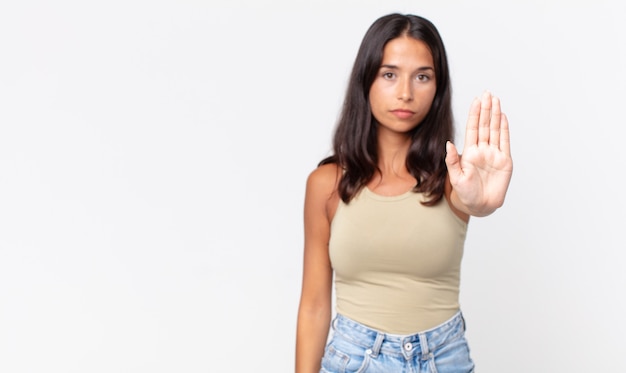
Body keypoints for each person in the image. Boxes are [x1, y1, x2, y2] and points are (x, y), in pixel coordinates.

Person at [295, 13, 513, 373]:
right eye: (389, 74)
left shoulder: (454, 178)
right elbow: (314, 305)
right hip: (355, 359)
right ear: (366, 79)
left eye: (422, 76)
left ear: (438, 87)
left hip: (443, 359)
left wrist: (483, 203)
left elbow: (473, 202)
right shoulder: (326, 183)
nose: (406, 93)